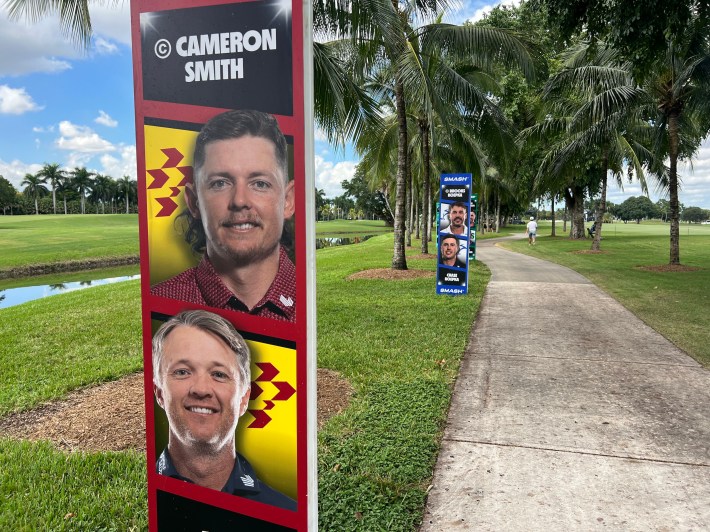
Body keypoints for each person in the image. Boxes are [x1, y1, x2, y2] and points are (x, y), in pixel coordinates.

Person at [151, 109, 296, 322]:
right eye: (220, 183)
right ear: (194, 202)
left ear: (288, 201)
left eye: (259, 183)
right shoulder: (160, 305)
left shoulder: (318, 305)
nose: (239, 201)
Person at [152, 310, 296, 511]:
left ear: (244, 399)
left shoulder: (286, 513)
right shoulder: (136, 501)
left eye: (219, 374)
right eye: (182, 372)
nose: (201, 389)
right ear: (159, 391)